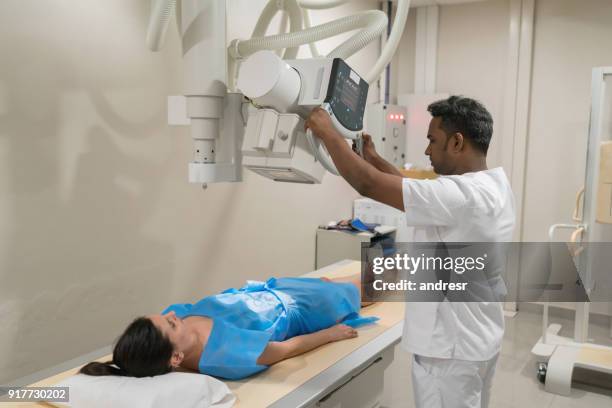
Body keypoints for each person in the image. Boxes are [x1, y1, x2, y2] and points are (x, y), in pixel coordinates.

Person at [305, 96, 516, 408]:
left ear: (457, 142)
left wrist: (327, 132)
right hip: (478, 340)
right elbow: (420, 195)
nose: (427, 150)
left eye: (432, 140)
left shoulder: (462, 195)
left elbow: (366, 184)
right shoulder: (492, 186)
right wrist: (375, 159)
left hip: (450, 353)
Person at [79, 275, 376, 380]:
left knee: (370, 272)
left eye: (163, 316)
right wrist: (331, 334)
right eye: (169, 323)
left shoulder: (175, 327)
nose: (171, 314)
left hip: (274, 289)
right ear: (175, 359)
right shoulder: (224, 355)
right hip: (303, 309)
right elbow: (284, 350)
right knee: (387, 277)